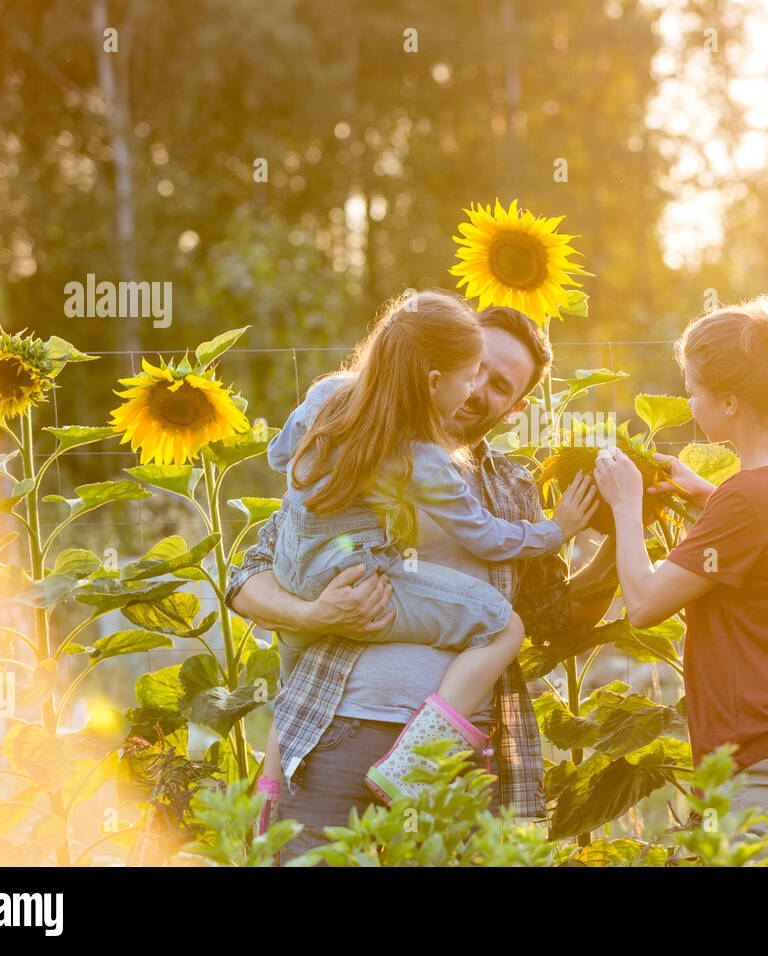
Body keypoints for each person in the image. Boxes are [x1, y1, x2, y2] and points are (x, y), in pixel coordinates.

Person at [227, 300, 614, 858]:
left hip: (454, 767)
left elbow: (553, 620)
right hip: (335, 735)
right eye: (474, 366)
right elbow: (250, 574)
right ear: (440, 364)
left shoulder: (513, 490)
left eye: (500, 385)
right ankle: (273, 787)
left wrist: (621, 543)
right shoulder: (354, 436)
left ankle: (387, 761)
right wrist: (315, 614)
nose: (478, 388)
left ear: (516, 409)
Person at [591, 294, 768, 861]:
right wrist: (706, 494)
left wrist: (627, 505)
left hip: (763, 771)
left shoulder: (747, 499)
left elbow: (645, 604)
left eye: (694, 389)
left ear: (729, 401)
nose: (688, 400)